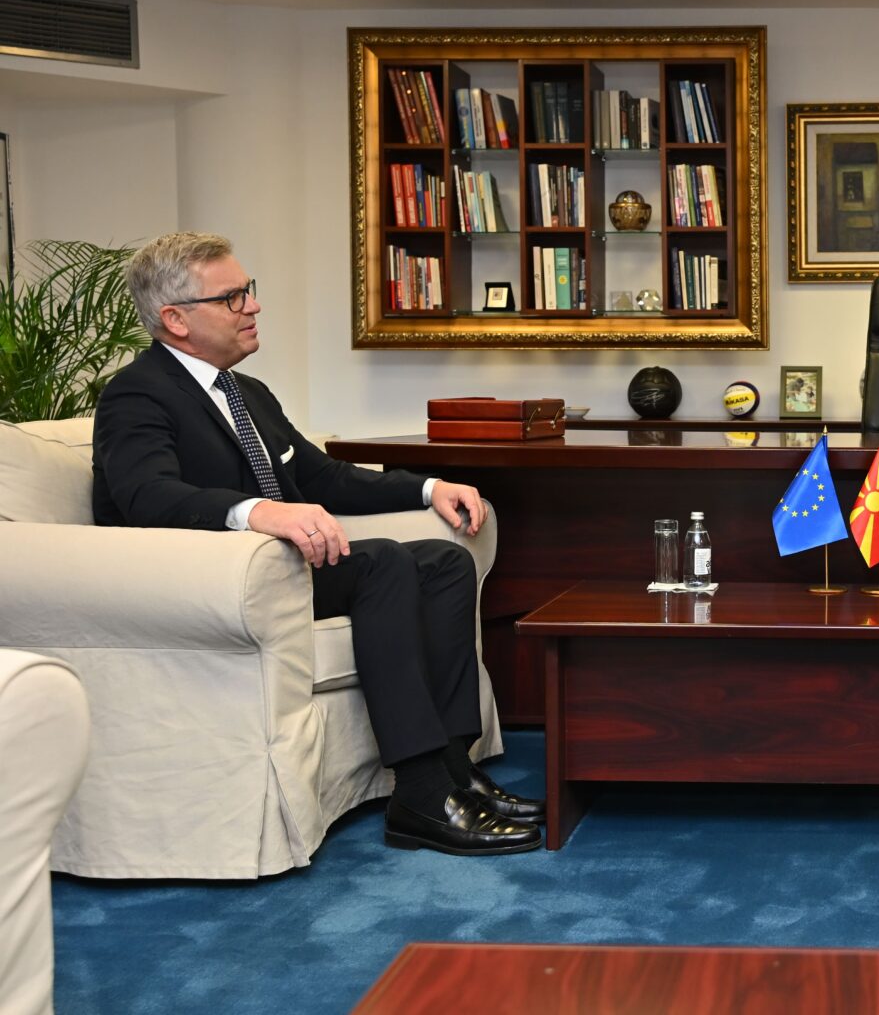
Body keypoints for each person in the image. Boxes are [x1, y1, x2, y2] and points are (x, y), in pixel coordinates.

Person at [92, 232, 544, 857]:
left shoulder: (245, 392)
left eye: (249, 290)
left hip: (279, 573)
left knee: (444, 561)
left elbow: (323, 476)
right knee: (382, 562)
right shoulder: (136, 393)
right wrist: (259, 512)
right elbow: (146, 495)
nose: (253, 305)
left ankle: (452, 769)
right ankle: (418, 794)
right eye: (232, 297)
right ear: (176, 319)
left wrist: (428, 488)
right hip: (210, 580)